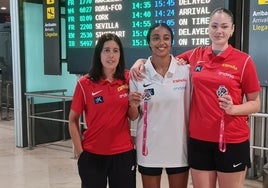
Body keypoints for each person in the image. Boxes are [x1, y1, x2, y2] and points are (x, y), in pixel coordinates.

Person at [130, 8, 261, 188]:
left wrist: (234, 109)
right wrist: (140, 62)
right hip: (199, 140)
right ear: (208, 28)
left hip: (231, 139)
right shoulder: (195, 55)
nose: (219, 31)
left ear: (232, 29)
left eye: (224, 26)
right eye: (214, 26)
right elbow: (163, 57)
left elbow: (256, 104)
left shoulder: (244, 61)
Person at [68, 33, 136, 188]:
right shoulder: (84, 84)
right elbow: (72, 120)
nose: (111, 55)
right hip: (93, 155)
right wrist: (80, 153)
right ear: (99, 54)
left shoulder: (128, 79)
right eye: (106, 50)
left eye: (115, 50)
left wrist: (132, 104)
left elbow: (133, 117)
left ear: (120, 55)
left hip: (123, 153)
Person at [128, 23, 190, 188]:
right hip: (148, 149)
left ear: (171, 42)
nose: (161, 42)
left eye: (166, 38)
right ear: (149, 42)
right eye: (155, 38)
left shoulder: (185, 71)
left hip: (179, 148)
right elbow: (133, 116)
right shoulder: (137, 74)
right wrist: (132, 105)